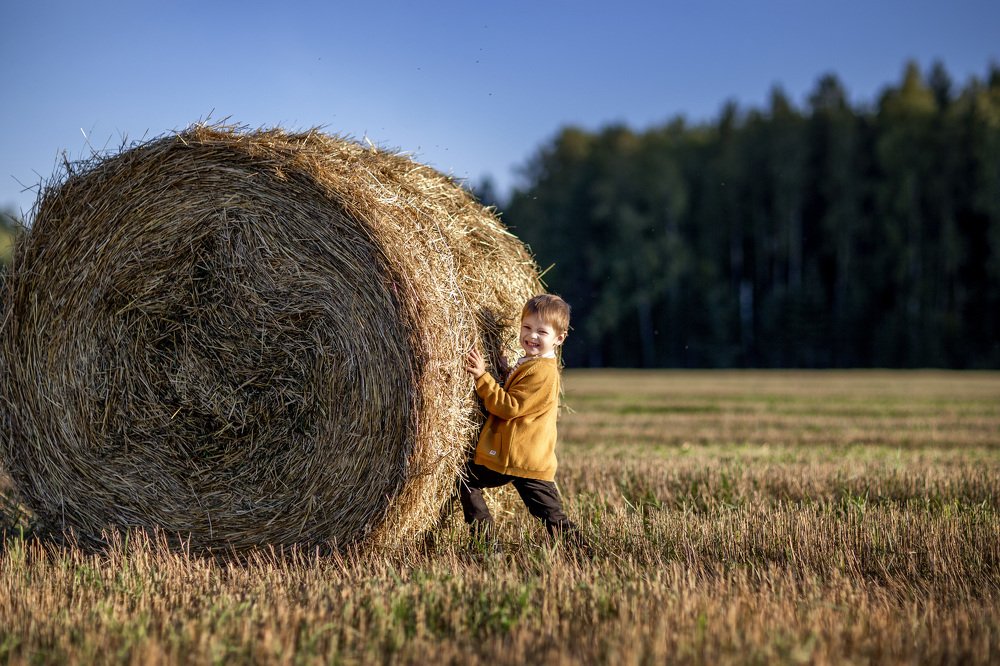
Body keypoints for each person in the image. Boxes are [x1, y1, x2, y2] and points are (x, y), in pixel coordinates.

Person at [460, 294, 587, 552]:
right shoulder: (534, 364)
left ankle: (488, 544)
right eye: (527, 328)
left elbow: (509, 407)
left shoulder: (543, 372)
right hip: (519, 457)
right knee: (550, 515)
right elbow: (519, 388)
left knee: (551, 516)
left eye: (542, 331)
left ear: (559, 339)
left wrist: (483, 377)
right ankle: (578, 552)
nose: (532, 336)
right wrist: (505, 371)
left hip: (519, 459)